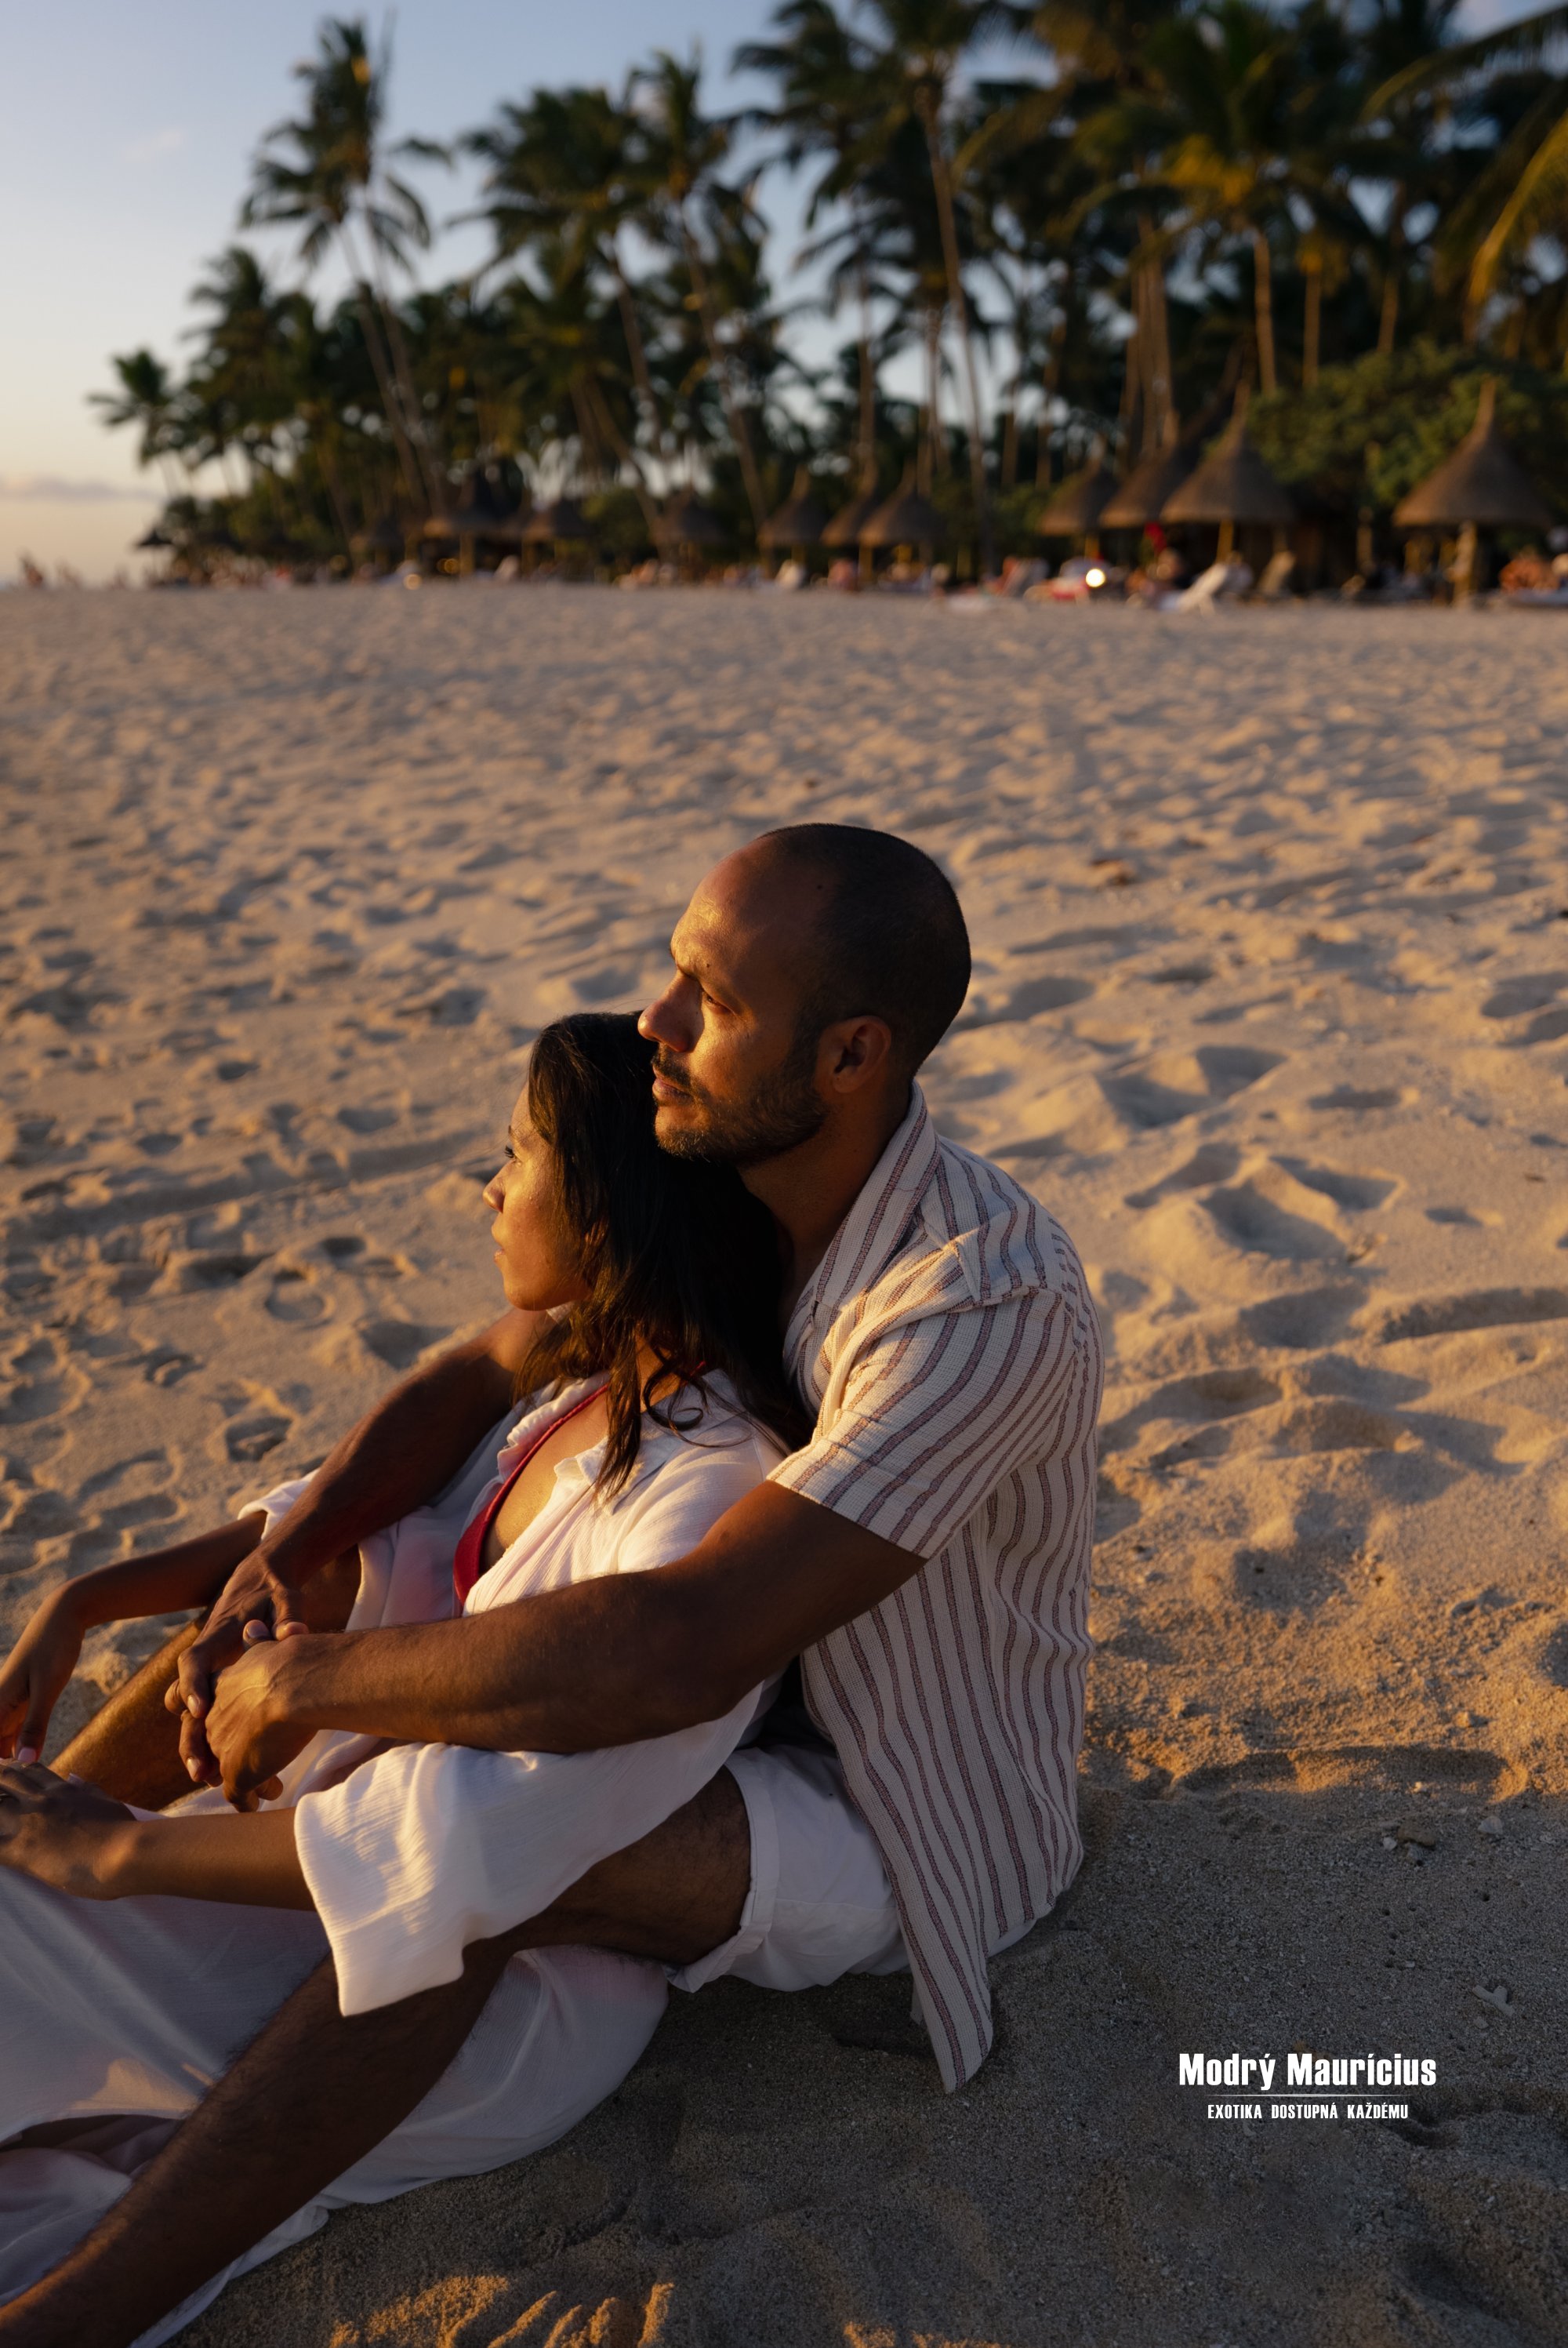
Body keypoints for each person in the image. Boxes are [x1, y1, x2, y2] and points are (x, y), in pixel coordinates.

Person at [0, 823, 1102, 2348]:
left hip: (886, 1791)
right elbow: (489, 1359)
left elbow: (674, 1647)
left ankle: (86, 2305)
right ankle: (48, 1853)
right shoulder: (733, 1166)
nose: (656, 1019)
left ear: (851, 1055)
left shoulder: (975, 1303)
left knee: (524, 1842)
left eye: (711, 999)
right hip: (710, 1680)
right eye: (673, 973)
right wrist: (283, 1555)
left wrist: (295, 1684)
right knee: (399, 1653)